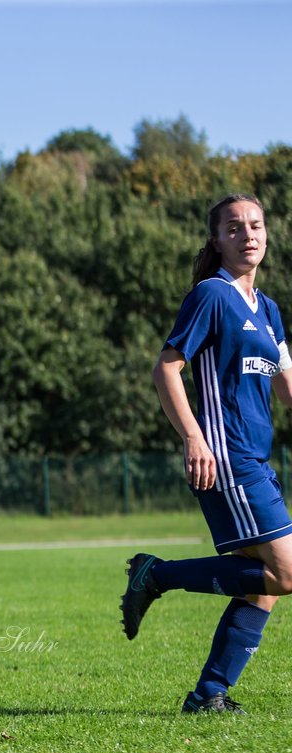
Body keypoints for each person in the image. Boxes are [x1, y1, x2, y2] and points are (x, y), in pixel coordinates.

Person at [122, 193, 292, 715]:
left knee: (261, 586)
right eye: (235, 228)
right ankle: (157, 575)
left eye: (256, 225)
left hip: (256, 460)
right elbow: (166, 368)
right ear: (216, 240)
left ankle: (208, 695)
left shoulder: (268, 310)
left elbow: (287, 381)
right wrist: (194, 438)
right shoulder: (211, 296)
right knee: (286, 574)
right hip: (227, 457)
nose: (248, 235)